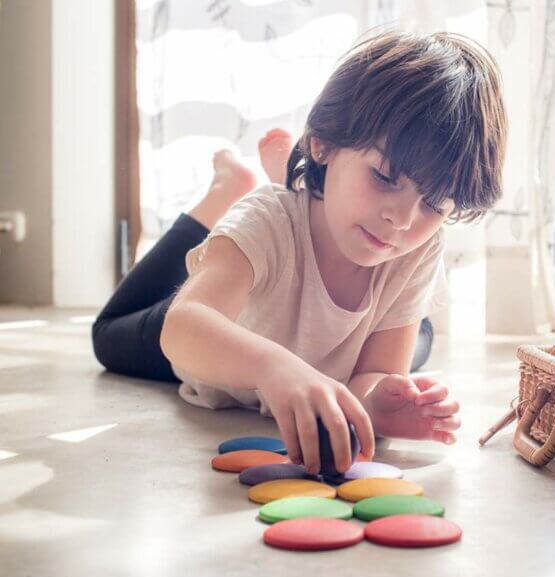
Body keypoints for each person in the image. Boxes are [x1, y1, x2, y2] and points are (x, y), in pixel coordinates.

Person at [92, 30, 508, 476]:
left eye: (434, 204)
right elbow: (182, 329)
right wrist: (274, 367)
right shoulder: (266, 225)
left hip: (319, 340)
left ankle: (302, 185)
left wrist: (381, 404)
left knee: (414, 347)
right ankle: (223, 196)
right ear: (324, 142)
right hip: (227, 336)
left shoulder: (418, 247)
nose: (403, 220)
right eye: (385, 177)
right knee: (109, 336)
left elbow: (372, 376)